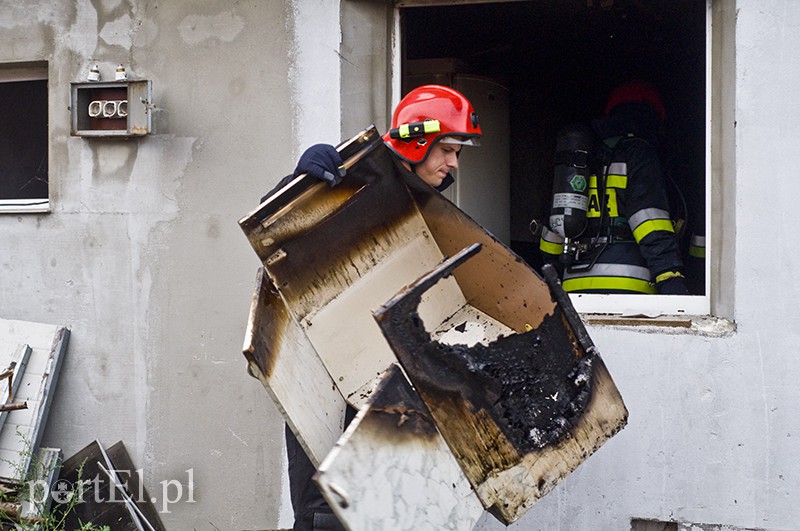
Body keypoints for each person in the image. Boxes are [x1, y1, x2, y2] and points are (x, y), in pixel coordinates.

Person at [260, 84, 482, 530]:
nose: (454, 163)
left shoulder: (431, 209)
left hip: (393, 386)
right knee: (321, 512)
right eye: (448, 150)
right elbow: (276, 239)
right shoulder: (349, 180)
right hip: (328, 380)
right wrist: (297, 187)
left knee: (385, 513)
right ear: (418, 140)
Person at [539, 79, 689, 295]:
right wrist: (670, 277)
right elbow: (649, 220)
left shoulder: (579, 157)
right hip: (627, 288)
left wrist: (551, 277)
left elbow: (554, 227)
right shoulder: (638, 152)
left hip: (573, 290)